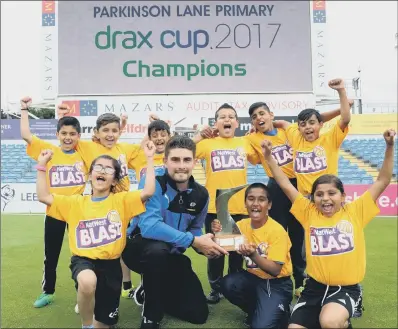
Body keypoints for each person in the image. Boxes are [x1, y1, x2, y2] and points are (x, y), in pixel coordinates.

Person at [261, 129, 396, 329]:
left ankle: (343, 317)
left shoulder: (356, 211)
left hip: (345, 289)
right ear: (313, 198)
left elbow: (383, 180)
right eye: (319, 194)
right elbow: (284, 184)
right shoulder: (308, 212)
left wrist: (390, 146)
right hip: (314, 288)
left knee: (330, 322)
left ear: (343, 196)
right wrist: (269, 157)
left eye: (332, 193)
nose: (325, 198)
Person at [35, 139, 156, 329]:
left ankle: (101, 322)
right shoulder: (74, 203)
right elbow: (44, 197)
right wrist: (41, 166)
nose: (102, 171)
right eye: (98, 167)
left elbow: (148, 191)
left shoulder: (122, 201)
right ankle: (86, 325)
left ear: (115, 180)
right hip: (83, 261)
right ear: (89, 175)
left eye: (108, 169)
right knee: (87, 281)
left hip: (111, 266)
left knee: (104, 324)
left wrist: (149, 159)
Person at [245, 99, 353, 297]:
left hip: (299, 186)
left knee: (299, 237)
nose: (259, 118)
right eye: (254, 117)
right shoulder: (251, 139)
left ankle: (301, 280)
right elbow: (243, 152)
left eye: (262, 113)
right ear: (252, 122)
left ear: (271, 114)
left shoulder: (290, 130)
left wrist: (342, 107)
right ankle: (275, 276)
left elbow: (314, 120)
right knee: (277, 232)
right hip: (277, 186)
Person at [122, 135, 228, 329]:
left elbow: (194, 229)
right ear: (165, 161)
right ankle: (151, 316)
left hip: (170, 255)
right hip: (139, 250)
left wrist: (205, 244)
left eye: (187, 160)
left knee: (198, 315)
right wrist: (193, 241)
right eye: (175, 160)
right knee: (157, 250)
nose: (181, 165)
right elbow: (149, 227)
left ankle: (152, 290)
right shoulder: (153, 182)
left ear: (195, 162)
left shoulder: (201, 194)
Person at [57, 104, 143, 301]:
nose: (110, 134)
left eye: (114, 130)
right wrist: (61, 117)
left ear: (120, 132)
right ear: (96, 132)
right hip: (98, 206)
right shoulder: (89, 146)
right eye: (105, 130)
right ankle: (85, 291)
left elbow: (146, 149)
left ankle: (126, 285)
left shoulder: (126, 149)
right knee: (95, 248)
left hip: (122, 205)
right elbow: (69, 138)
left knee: (123, 248)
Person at [20, 96, 88, 308]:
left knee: (81, 254)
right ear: (57, 134)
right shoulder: (49, 151)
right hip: (55, 211)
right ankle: (47, 291)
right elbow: (25, 135)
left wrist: (65, 115)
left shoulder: (85, 153)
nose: (68, 137)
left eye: (72, 134)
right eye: (64, 133)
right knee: (51, 255)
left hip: (78, 210)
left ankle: (82, 295)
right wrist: (24, 109)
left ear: (79, 135)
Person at [193, 103, 260, 304]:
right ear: (216, 123)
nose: (227, 119)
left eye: (231, 116)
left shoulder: (245, 142)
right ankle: (215, 288)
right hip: (216, 208)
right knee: (215, 252)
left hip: (241, 208)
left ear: (237, 123)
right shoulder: (207, 144)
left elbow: (258, 159)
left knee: (238, 252)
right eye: (222, 117)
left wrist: (256, 135)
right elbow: (181, 150)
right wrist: (199, 135)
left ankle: (235, 285)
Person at [212, 183, 293, 329]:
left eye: (261, 199)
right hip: (253, 278)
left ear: (269, 205)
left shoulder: (277, 231)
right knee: (228, 284)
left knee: (262, 326)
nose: (255, 204)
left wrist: (253, 254)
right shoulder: (242, 225)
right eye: (251, 199)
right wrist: (216, 233)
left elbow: (275, 270)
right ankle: (256, 311)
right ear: (245, 203)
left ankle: (282, 311)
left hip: (276, 284)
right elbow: (219, 248)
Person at [121, 119, 172, 298]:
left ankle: (159, 285)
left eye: (162, 135)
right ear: (148, 138)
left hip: (165, 214)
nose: (159, 138)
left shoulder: (173, 157)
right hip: (141, 213)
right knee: (138, 247)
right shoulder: (140, 156)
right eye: (154, 135)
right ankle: (130, 284)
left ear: (169, 136)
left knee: (162, 250)